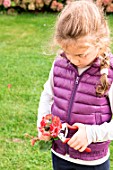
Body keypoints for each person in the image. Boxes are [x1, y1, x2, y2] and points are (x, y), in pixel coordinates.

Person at [37, 1, 113, 170]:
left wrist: (91, 134)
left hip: (92, 162)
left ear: (99, 42)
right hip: (59, 155)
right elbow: (47, 96)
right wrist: (42, 125)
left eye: (80, 54)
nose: (73, 60)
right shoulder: (60, 64)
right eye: (67, 53)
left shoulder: (110, 74)